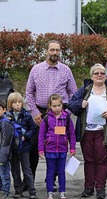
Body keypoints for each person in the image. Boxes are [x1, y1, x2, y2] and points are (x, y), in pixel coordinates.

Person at [69, 63, 107, 199]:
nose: (99, 75)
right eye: (96, 73)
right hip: (86, 131)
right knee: (89, 160)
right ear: (92, 76)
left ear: (105, 76)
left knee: (102, 160)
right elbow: (71, 104)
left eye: (102, 73)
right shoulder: (85, 90)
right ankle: (88, 187)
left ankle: (100, 188)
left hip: (103, 131)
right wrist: (80, 104)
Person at [25, 40, 77, 181]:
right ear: (46, 51)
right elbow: (29, 93)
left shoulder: (66, 70)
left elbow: (74, 93)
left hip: (60, 115)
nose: (55, 53)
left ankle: (52, 180)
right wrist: (35, 112)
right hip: (40, 115)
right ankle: (29, 182)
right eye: (52, 50)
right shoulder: (36, 69)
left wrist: (67, 113)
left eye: (57, 50)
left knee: (57, 147)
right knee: (34, 149)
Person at [38, 94, 76, 199]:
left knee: (61, 171)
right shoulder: (46, 118)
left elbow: (72, 134)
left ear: (62, 105)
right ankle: (49, 192)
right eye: (54, 106)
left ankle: (62, 191)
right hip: (50, 149)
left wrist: (72, 148)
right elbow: (41, 135)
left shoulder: (66, 118)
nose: (57, 108)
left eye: (59, 105)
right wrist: (40, 149)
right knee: (50, 172)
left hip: (62, 149)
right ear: (50, 106)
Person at [7, 92, 38, 199]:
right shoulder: (7, 116)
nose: (17, 105)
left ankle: (32, 190)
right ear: (10, 104)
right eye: (15, 103)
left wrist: (26, 136)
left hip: (24, 147)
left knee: (27, 169)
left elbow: (33, 128)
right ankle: (18, 190)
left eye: (19, 102)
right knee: (15, 170)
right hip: (13, 148)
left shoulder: (27, 115)